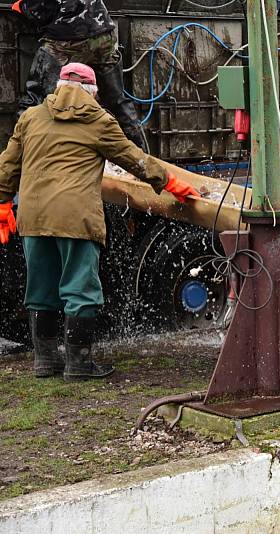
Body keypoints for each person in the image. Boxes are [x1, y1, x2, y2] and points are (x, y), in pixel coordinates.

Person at [0, 63, 198, 381]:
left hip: (33, 217)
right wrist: (168, 182)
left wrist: (2, 206)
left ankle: (45, 361)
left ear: (59, 86)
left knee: (40, 289)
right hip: (75, 218)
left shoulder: (31, 118)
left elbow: (7, 166)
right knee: (80, 290)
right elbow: (132, 157)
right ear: (92, 91)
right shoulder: (98, 120)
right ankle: (78, 364)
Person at [11, 0, 146, 148]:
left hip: (67, 38)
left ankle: (18, 157)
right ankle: (144, 158)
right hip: (103, 36)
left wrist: (22, 7)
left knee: (35, 99)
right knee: (118, 101)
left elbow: (39, 12)